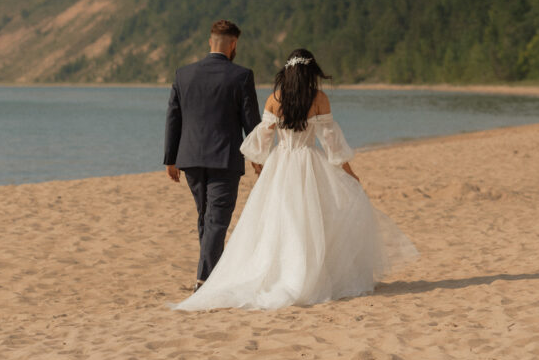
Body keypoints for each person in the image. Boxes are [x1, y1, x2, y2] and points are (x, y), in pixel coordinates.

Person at [173, 48, 417, 311]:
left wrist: (263, 166)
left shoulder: (274, 99)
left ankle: (280, 273)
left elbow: (260, 144)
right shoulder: (319, 98)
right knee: (311, 220)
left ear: (287, 72)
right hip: (309, 162)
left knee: (278, 221)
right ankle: (307, 274)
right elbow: (331, 143)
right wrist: (350, 172)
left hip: (282, 163)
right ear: (310, 72)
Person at [164, 20, 262, 292]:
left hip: (191, 157)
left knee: (206, 217)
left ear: (210, 41)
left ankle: (208, 275)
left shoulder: (184, 74)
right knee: (216, 220)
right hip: (224, 158)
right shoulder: (241, 75)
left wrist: (170, 159)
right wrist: (257, 157)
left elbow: (174, 117)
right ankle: (204, 280)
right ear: (233, 44)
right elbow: (251, 123)